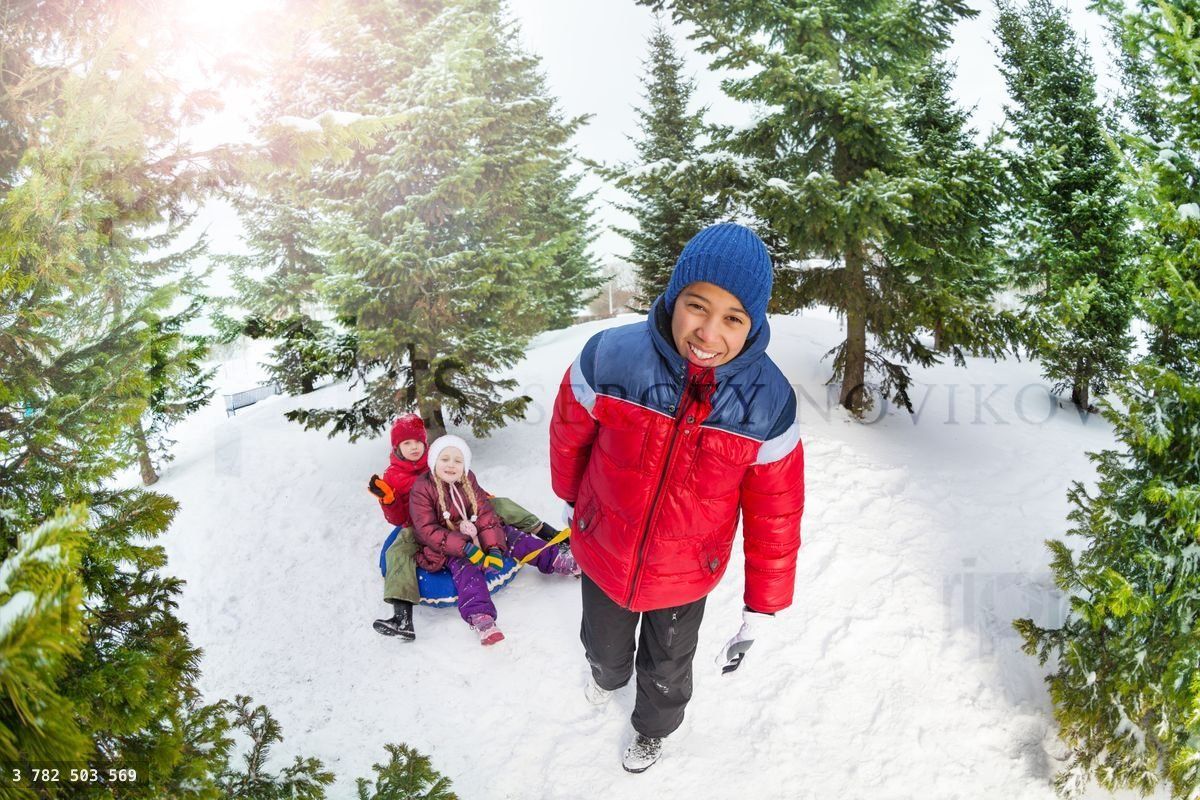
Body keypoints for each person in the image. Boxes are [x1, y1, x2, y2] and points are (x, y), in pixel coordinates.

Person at [549, 222, 805, 772]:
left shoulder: (768, 402)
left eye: (732, 318)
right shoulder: (611, 357)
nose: (708, 332)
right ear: (673, 297)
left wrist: (763, 604)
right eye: (697, 306)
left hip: (686, 571)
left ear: (753, 323)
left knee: (668, 668)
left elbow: (776, 513)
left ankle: (652, 729)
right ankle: (605, 675)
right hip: (604, 547)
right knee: (605, 644)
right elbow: (570, 431)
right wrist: (572, 501)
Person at [368, 415, 563, 640]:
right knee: (398, 551)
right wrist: (389, 500)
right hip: (420, 526)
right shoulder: (393, 475)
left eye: (417, 442)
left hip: (459, 513)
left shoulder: (438, 457)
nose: (413, 448)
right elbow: (399, 518)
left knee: (501, 505)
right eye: (406, 443)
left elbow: (462, 482)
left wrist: (482, 498)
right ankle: (402, 617)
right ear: (397, 447)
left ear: (426, 444)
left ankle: (548, 533)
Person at [408, 435, 580, 645]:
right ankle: (482, 618)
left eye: (457, 460)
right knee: (467, 569)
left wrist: (495, 548)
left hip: (474, 530)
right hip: (446, 545)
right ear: (434, 461)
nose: (451, 465)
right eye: (445, 459)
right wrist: (466, 548)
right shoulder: (423, 488)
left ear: (465, 465)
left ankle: (557, 561)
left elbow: (485, 514)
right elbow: (427, 530)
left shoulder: (468, 479)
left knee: (513, 536)